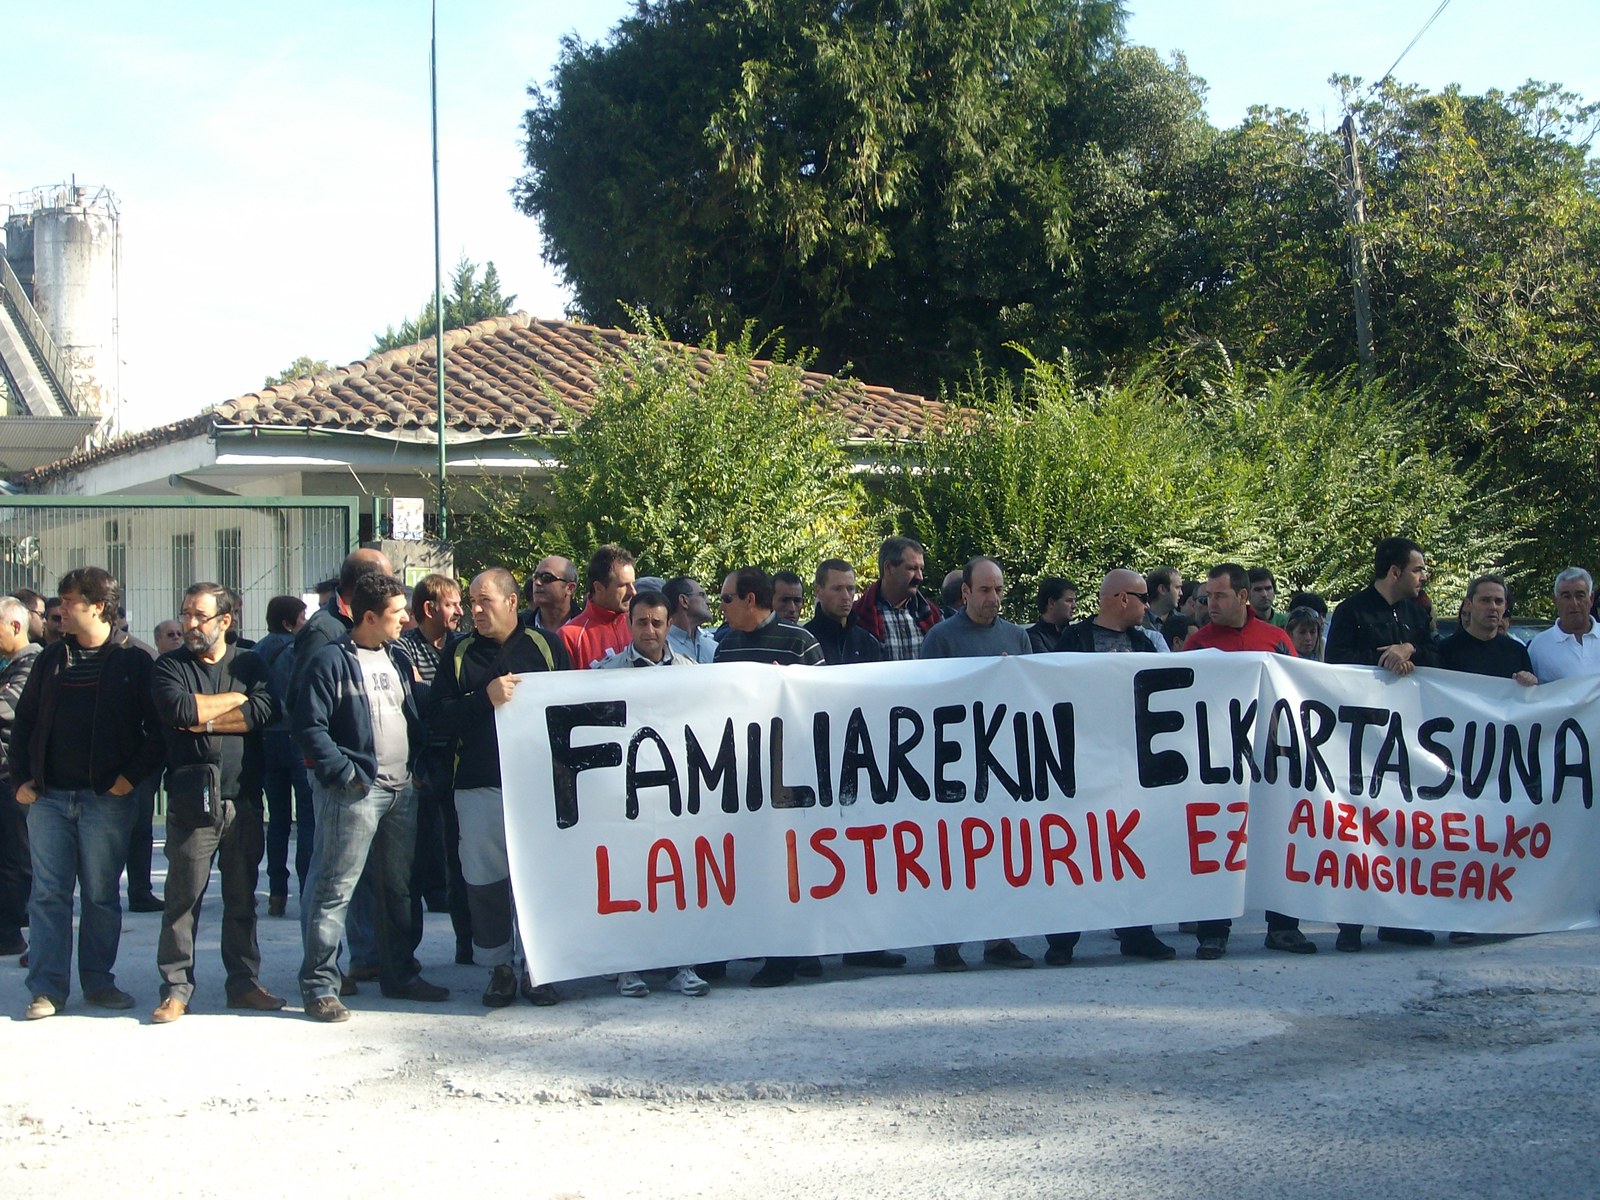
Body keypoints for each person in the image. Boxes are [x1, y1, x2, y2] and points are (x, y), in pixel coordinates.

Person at [293, 572, 450, 1022]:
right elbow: (310, 727)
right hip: (356, 794)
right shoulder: (330, 661)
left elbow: (413, 712)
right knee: (334, 888)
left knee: (397, 889)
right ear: (368, 617)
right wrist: (345, 775)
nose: (405, 619)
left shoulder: (397, 656)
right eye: (397, 613)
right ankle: (320, 985)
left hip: (403, 791)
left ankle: (399, 974)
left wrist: (416, 769)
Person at [10, 566, 165, 1019]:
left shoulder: (136, 660)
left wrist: (128, 781)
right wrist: (21, 778)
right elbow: (25, 724)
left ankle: (98, 982)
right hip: (49, 799)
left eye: (69, 602)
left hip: (106, 801)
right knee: (49, 895)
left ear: (98, 606)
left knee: (100, 895)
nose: (59, 611)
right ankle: (46, 989)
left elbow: (157, 733)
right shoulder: (51, 659)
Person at [431, 568, 567, 1007]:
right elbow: (438, 719)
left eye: (483, 601)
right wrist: (483, 699)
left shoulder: (547, 646)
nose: (473, 610)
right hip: (478, 786)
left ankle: (538, 969)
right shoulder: (458, 653)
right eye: (471, 601)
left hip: (538, 788)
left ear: (511, 602)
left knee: (539, 880)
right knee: (485, 882)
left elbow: (571, 711)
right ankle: (499, 970)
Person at [148, 583, 282, 1023]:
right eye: (185, 614)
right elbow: (179, 710)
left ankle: (243, 983)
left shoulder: (250, 662)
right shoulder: (170, 666)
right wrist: (230, 705)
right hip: (192, 801)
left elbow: (263, 711)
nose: (189, 624)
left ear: (225, 621)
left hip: (241, 797)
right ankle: (176, 987)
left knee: (242, 898)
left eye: (198, 616)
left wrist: (205, 720)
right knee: (182, 899)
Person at [1183, 564, 1312, 958]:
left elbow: (1301, 691)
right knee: (1215, 837)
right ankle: (1213, 929)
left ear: (1242, 597)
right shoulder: (1198, 645)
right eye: (1207, 596)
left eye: (1219, 596)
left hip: (1272, 757)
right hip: (1217, 761)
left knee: (1279, 836)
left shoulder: (1275, 640)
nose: (1210, 603)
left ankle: (1284, 926)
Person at [1047, 568, 1176, 964]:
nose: (1146, 605)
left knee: (1136, 846)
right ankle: (1063, 940)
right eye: (1142, 597)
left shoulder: (1146, 643)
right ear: (1122, 599)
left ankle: (1137, 932)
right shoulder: (1075, 639)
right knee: (1076, 845)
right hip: (1086, 760)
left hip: (1136, 761)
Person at [918, 557, 1034, 971]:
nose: (993, 598)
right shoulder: (941, 638)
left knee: (998, 849)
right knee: (952, 852)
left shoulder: (1018, 638)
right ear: (965, 593)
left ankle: (999, 938)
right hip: (954, 760)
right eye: (985, 590)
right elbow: (927, 699)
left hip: (1001, 760)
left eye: (999, 590)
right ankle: (946, 942)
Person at [595, 590, 712, 997]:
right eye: (641, 622)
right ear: (630, 624)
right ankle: (629, 965)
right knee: (630, 877)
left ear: (668, 625)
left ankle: (684, 964)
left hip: (677, 791)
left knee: (679, 877)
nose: (649, 630)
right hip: (626, 794)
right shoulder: (606, 672)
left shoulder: (689, 671)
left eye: (657, 623)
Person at [1324, 536, 1438, 953]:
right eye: (1417, 568)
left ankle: (1398, 921)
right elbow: (1334, 663)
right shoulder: (1351, 611)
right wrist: (1383, 663)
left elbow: (1435, 657)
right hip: (1361, 738)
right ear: (1395, 572)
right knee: (1357, 827)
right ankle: (1350, 923)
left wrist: (1410, 649)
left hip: (1407, 739)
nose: (1422, 576)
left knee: (1404, 827)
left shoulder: (1418, 612)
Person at [715, 567, 824, 986]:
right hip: (742, 778)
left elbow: (826, 703)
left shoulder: (800, 643)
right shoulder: (723, 649)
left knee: (788, 867)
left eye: (726, 599)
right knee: (752, 866)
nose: (720, 607)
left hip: (792, 776)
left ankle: (787, 956)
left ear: (749, 600)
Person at [395, 573, 473, 966]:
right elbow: (419, 700)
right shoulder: (402, 649)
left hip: (458, 762)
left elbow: (447, 697)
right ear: (429, 609)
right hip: (421, 766)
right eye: (453, 604)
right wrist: (452, 696)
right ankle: (404, 957)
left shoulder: (462, 647)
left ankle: (467, 943)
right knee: (415, 863)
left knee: (461, 858)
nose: (461, 611)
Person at [254, 595, 312, 915]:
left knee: (276, 820)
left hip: (266, 739)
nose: (307, 623)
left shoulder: (258, 650)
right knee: (307, 819)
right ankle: (307, 891)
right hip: (296, 739)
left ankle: (277, 893)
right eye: (302, 617)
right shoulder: (298, 649)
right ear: (289, 623)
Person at [0, 596, 42, 958]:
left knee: (17, 858)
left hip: (13, 775)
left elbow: (8, 709)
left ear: (15, 625)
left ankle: (11, 931)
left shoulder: (32, 662)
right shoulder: (8, 663)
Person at [851, 536, 942, 661]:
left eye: (921, 569)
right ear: (888, 568)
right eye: (912, 568)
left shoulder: (932, 615)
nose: (920, 577)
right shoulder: (858, 616)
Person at [1436, 575, 1538, 685]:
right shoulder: (1444, 650)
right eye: (1485, 600)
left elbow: (1529, 698)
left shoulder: (1517, 652)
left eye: (1499, 601)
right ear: (1468, 604)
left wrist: (1530, 681)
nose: (1493, 607)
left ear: (1505, 607)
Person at [560, 544, 637, 669]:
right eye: (623, 585)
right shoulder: (570, 637)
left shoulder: (641, 626)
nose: (633, 591)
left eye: (633, 583)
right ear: (599, 588)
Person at [804, 559, 886, 667]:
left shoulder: (868, 642)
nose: (846, 596)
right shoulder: (805, 640)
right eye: (837, 589)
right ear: (818, 591)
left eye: (850, 589)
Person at [1528, 568, 1600, 681]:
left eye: (1580, 595)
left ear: (1591, 598)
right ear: (1555, 600)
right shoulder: (1539, 647)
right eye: (1566, 596)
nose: (1574, 603)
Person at [664, 575, 719, 663]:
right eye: (702, 595)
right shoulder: (661, 648)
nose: (709, 602)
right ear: (684, 601)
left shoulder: (713, 647)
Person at [527, 555, 579, 634]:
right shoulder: (519, 629)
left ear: (570, 588)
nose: (537, 583)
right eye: (535, 577)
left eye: (546, 577)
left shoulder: (586, 629)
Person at [1027, 578, 1079, 653]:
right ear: (1051, 603)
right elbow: (1048, 663)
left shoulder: (1076, 634)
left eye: (1074, 601)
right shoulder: (1032, 637)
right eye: (1069, 601)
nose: (1074, 606)